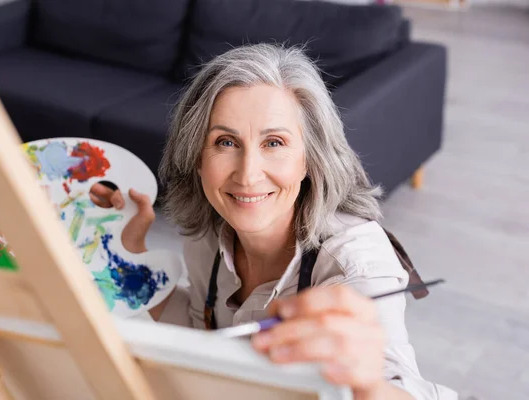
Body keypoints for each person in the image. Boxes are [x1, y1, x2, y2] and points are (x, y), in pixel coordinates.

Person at [90, 43, 457, 399]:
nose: (248, 176)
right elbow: (201, 329)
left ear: (309, 160)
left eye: (275, 143)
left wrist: (366, 384)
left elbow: (397, 381)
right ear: (197, 157)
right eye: (225, 142)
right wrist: (131, 253)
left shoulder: (357, 265)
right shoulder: (210, 230)